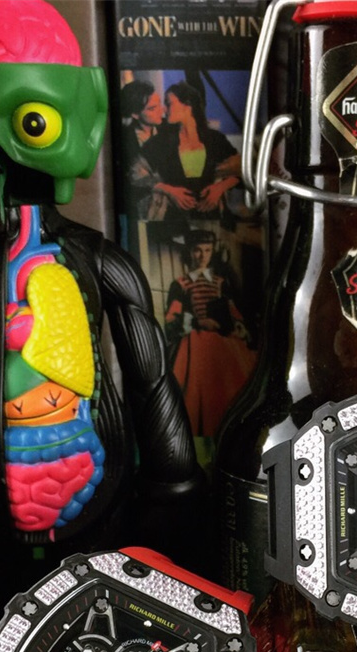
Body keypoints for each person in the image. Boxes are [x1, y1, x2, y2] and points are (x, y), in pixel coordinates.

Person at [165, 230, 255, 437]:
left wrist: (237, 325)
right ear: (190, 252)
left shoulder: (220, 282)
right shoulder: (180, 284)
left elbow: (233, 312)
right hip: (193, 345)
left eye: (207, 250)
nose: (202, 255)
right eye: (197, 250)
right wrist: (198, 322)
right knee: (195, 395)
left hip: (224, 343)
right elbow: (171, 320)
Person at [133, 81, 241, 222]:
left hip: (213, 219)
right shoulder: (160, 142)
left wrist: (219, 188)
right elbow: (135, 174)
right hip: (172, 222)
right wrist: (169, 190)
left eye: (169, 104)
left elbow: (242, 171)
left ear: (188, 105)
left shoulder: (216, 139)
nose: (164, 109)